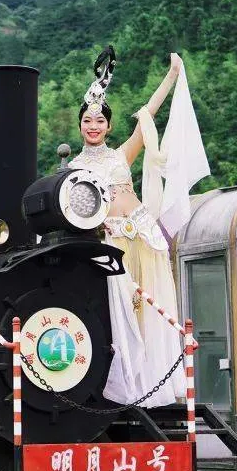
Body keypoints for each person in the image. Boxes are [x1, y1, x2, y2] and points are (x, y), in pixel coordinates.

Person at [69, 46, 192, 407]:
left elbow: (148, 115)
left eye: (100, 121)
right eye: (87, 121)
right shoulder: (72, 169)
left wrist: (171, 75)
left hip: (144, 235)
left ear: (108, 125)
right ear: (80, 125)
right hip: (112, 241)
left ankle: (158, 383)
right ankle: (132, 384)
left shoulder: (122, 154)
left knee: (153, 310)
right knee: (124, 313)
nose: (93, 126)